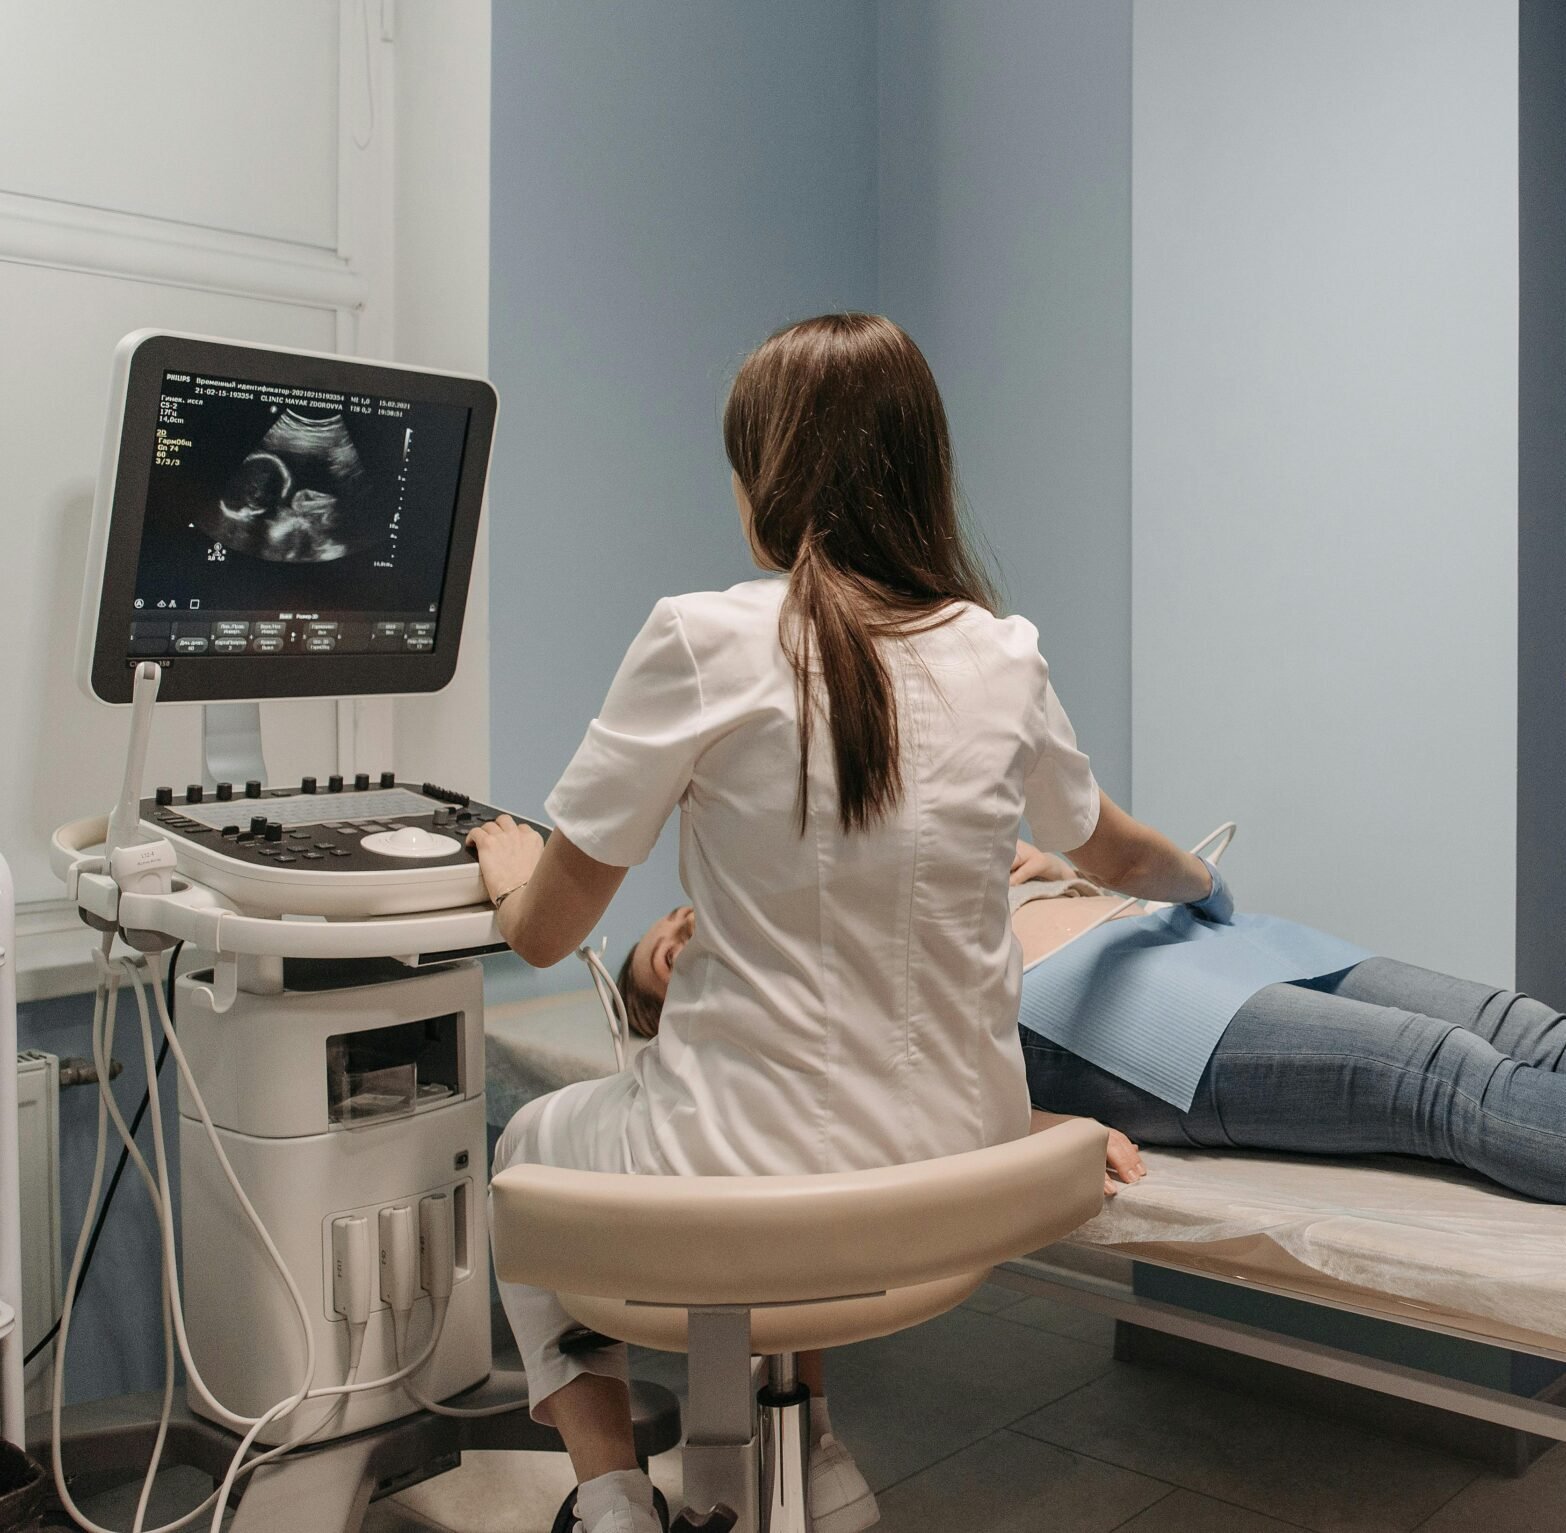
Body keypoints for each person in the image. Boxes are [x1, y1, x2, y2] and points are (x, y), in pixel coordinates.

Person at [467, 314, 1221, 1533]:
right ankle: (805, 1449)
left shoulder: (702, 640)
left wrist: (508, 869)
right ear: (922, 474)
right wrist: (1203, 883)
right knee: (794, 1151)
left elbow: (548, 934)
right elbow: (1122, 849)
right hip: (959, 1173)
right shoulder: (1002, 653)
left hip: (757, 1174)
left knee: (527, 1146)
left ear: (767, 476)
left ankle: (609, 1497)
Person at [623, 842, 1566, 1208]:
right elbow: (901, 1099)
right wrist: (1051, 1129)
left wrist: (1019, 868)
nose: (689, 928)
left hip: (1182, 931)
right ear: (686, 1016)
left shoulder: (834, 914)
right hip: (1121, 1015)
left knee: (1519, 1023)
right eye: (670, 956)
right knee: (1446, 1078)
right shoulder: (805, 1016)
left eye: (675, 917)